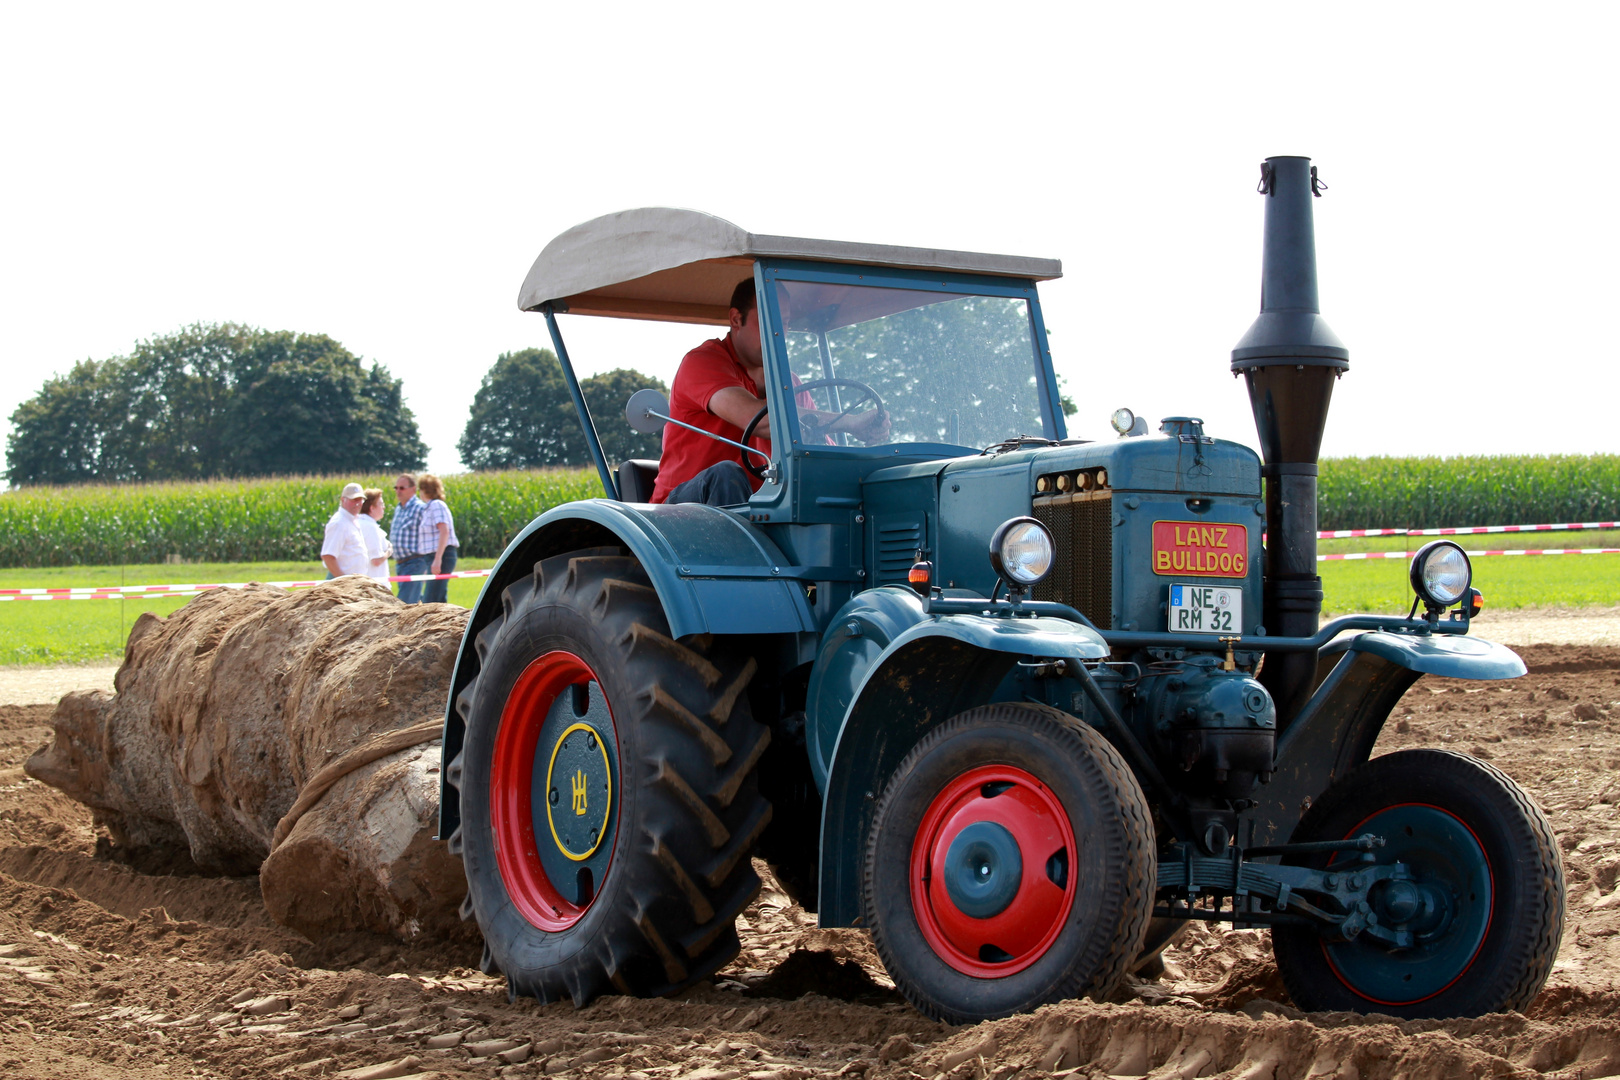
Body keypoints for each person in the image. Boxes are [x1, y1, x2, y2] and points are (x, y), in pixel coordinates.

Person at [650, 278, 889, 505]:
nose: (780, 333)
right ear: (736, 319)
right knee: (726, 475)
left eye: (784, 323)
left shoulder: (792, 384)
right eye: (769, 320)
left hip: (760, 511)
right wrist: (850, 422)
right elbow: (759, 421)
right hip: (678, 514)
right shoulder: (702, 363)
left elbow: (820, 449)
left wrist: (867, 443)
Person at [389, 473, 433, 603]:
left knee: (404, 603)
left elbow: (429, 534)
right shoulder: (399, 508)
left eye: (402, 488)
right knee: (411, 603)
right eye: (396, 488)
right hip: (401, 563)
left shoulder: (420, 508)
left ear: (413, 489)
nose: (398, 491)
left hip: (415, 562)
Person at [417, 473, 459, 604]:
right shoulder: (428, 508)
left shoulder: (436, 505)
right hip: (434, 557)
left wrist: (437, 559)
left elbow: (444, 531)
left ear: (425, 490)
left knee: (431, 600)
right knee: (438, 599)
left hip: (442, 555)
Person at [320, 482, 370, 578]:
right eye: (354, 500)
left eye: (360, 500)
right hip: (340, 584)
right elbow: (328, 556)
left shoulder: (352, 521)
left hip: (354, 582)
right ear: (343, 500)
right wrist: (343, 582)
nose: (358, 503)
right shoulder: (339, 523)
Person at [357, 488, 394, 586]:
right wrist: (389, 552)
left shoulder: (359, 523)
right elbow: (376, 560)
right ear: (372, 508)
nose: (384, 507)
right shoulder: (370, 527)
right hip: (376, 584)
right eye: (381, 504)